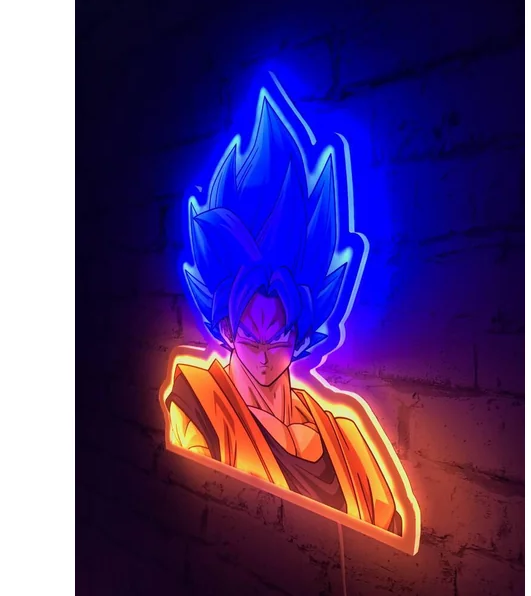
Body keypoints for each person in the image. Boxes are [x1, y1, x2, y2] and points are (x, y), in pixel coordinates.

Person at [159, 95, 420, 554]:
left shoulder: (346, 438)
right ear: (226, 332)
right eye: (250, 338)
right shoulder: (198, 399)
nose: (263, 356)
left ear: (298, 336)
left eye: (277, 339)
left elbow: (391, 539)